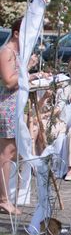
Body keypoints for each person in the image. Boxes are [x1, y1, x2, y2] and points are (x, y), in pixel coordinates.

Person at [1, 19, 27, 214]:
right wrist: (26, 76)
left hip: (16, 105)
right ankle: (3, 199)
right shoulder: (7, 52)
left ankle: (5, 197)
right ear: (16, 33)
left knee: (12, 152)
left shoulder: (16, 53)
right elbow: (9, 82)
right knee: (6, 153)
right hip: (8, 106)